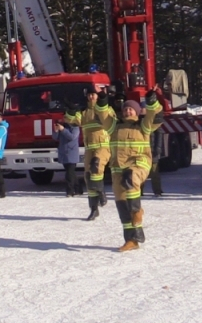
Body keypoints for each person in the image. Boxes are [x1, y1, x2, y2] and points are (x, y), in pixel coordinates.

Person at [95, 90, 163, 251]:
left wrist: (152, 100)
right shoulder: (114, 126)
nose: (127, 111)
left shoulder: (143, 125)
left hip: (139, 164)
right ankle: (131, 240)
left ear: (137, 111)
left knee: (130, 179)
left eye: (131, 109)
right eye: (125, 109)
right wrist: (103, 100)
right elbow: (103, 115)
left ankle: (137, 214)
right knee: (121, 205)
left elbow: (156, 113)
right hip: (118, 169)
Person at [65, 89, 113, 220]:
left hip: (103, 146)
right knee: (88, 177)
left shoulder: (106, 109)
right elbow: (71, 120)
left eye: (94, 94)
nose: (91, 97)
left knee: (96, 167)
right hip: (89, 148)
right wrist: (71, 109)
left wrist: (102, 103)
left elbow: (108, 119)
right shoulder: (84, 112)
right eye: (89, 95)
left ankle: (101, 192)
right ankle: (94, 209)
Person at [52, 119, 81, 197]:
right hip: (64, 153)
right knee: (71, 173)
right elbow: (55, 138)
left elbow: (72, 137)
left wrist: (63, 130)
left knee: (69, 173)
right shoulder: (63, 126)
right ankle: (78, 189)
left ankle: (70, 191)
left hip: (72, 153)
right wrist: (56, 131)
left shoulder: (75, 127)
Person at [141, 128, 164, 197]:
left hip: (153, 151)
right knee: (141, 172)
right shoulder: (140, 123)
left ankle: (157, 191)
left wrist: (158, 148)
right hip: (143, 152)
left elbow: (159, 134)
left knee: (154, 172)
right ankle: (139, 191)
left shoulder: (154, 124)